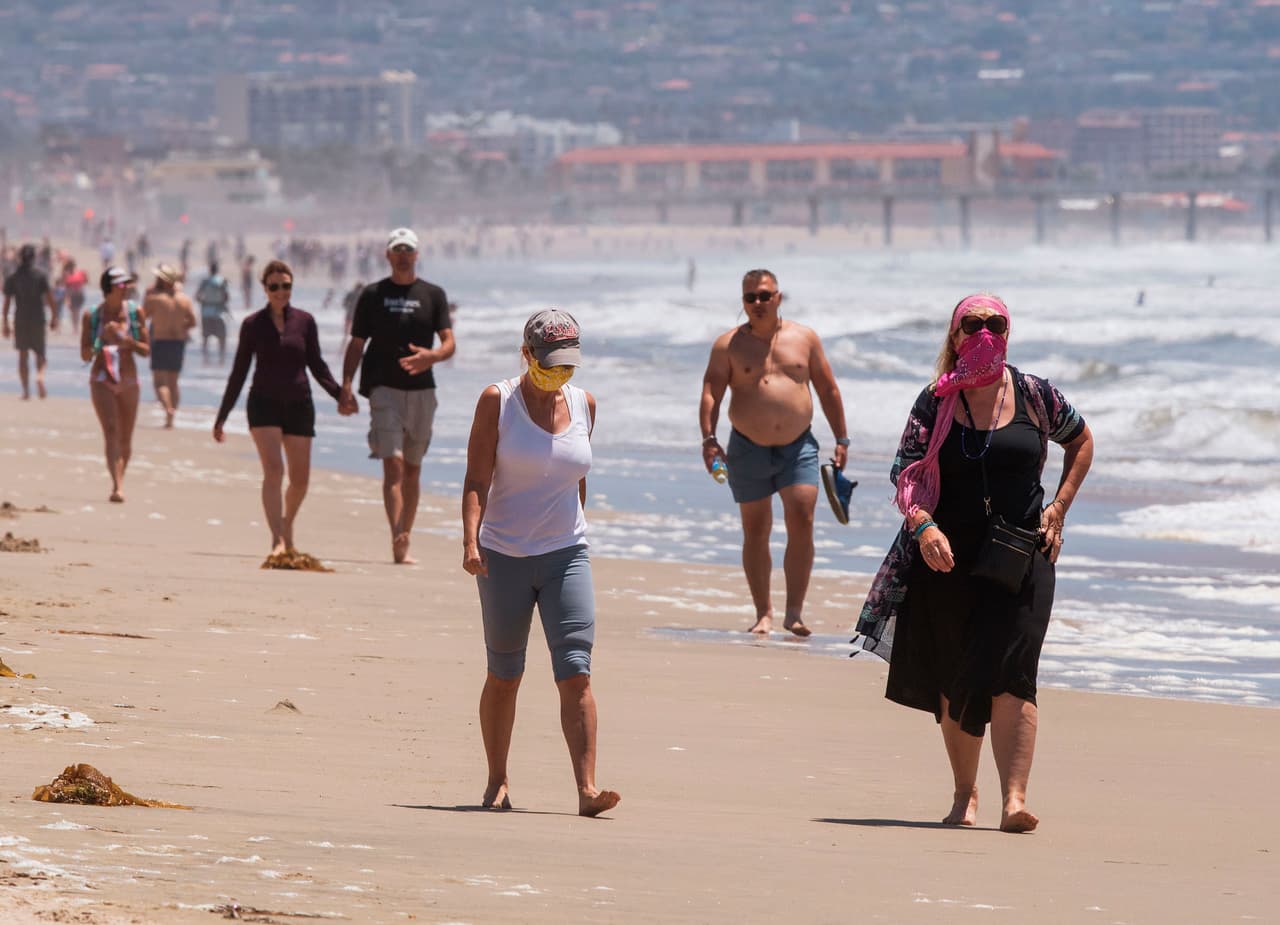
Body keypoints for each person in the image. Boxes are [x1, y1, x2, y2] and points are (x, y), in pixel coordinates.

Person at [855, 294, 1094, 834]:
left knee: (1014, 669)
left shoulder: (1036, 394)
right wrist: (923, 525)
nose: (984, 331)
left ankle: (1015, 800)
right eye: (973, 323)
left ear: (1009, 331)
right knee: (956, 672)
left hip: (1022, 550)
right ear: (955, 334)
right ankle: (966, 795)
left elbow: (1081, 441)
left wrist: (1058, 508)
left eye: (996, 323)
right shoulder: (934, 400)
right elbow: (906, 472)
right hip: (948, 554)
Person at [461, 309, 620, 818]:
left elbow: (575, 476)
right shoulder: (497, 401)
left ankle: (587, 790)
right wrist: (471, 541)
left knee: (577, 670)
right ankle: (497, 781)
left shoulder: (584, 403)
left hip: (566, 553)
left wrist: (571, 527)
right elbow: (476, 479)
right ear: (527, 354)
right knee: (505, 673)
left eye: (568, 363)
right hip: (503, 555)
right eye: (550, 362)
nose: (560, 372)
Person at [698, 268, 850, 637]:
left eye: (765, 295)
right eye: (751, 297)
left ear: (779, 297)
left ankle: (793, 612)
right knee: (756, 528)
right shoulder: (727, 345)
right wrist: (709, 439)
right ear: (743, 302)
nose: (758, 303)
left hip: (799, 445)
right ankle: (763, 612)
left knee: (803, 518)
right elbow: (711, 392)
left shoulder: (805, 338)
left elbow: (828, 390)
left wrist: (842, 439)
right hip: (746, 446)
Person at [213, 259, 355, 556]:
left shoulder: (304, 321)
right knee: (274, 471)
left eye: (286, 285)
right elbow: (239, 372)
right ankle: (277, 538)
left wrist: (339, 395)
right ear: (265, 289)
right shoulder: (253, 325)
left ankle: (287, 523)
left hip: (299, 404)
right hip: (263, 404)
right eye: (274, 286)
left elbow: (316, 365)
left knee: (300, 480)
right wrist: (222, 418)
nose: (280, 291)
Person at [341, 228, 455, 564]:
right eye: (397, 250)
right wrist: (346, 385)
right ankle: (397, 535)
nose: (403, 255)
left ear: (417, 255)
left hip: (422, 392)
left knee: (413, 470)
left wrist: (431, 356)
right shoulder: (373, 294)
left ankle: (407, 528)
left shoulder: (433, 294)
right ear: (388, 255)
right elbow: (357, 342)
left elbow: (449, 342)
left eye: (409, 250)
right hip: (383, 388)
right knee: (393, 464)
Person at [81, 267, 149, 502]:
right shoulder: (92, 316)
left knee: (125, 437)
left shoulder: (135, 313)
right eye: (121, 286)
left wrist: (125, 340)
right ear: (108, 288)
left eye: (127, 285)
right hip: (102, 378)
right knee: (111, 430)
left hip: (128, 379)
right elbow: (84, 354)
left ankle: (121, 476)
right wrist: (102, 341)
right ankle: (117, 486)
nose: (126, 289)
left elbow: (145, 350)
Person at [144, 264, 197, 428]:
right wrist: (180, 327)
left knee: (159, 383)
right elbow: (193, 322)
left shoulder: (155, 299)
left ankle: (168, 409)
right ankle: (171, 417)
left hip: (160, 341)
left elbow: (141, 316)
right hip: (178, 342)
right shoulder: (184, 299)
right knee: (173, 382)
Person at [3, 244, 57, 400]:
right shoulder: (40, 276)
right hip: (38, 318)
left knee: (22, 355)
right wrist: (54, 317)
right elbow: (50, 298)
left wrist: (5, 323)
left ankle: (26, 391)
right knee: (40, 353)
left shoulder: (12, 277)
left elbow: (7, 302)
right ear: (34, 258)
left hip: (20, 319)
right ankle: (40, 376)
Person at [196, 262, 233, 363]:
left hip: (206, 313)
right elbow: (226, 297)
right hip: (219, 313)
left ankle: (206, 359)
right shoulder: (222, 281)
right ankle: (221, 359)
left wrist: (205, 302)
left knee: (205, 338)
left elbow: (197, 296)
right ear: (217, 270)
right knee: (222, 338)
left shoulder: (205, 281)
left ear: (210, 270)